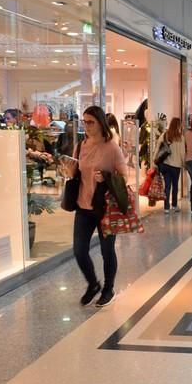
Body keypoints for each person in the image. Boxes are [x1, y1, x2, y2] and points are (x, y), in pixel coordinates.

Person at [72, 106, 128, 308]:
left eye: (90, 122)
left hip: (105, 207)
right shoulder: (80, 146)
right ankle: (93, 284)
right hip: (83, 205)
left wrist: (105, 176)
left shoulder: (111, 147)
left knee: (107, 250)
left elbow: (124, 176)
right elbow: (77, 172)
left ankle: (108, 288)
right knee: (79, 250)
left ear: (100, 122)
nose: (86, 126)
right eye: (84, 122)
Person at [154, 117, 185, 213]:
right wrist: (184, 164)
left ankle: (166, 207)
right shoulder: (180, 138)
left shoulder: (164, 135)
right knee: (175, 186)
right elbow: (182, 153)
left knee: (167, 186)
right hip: (176, 166)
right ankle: (174, 205)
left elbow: (158, 148)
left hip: (165, 165)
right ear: (179, 126)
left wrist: (154, 160)